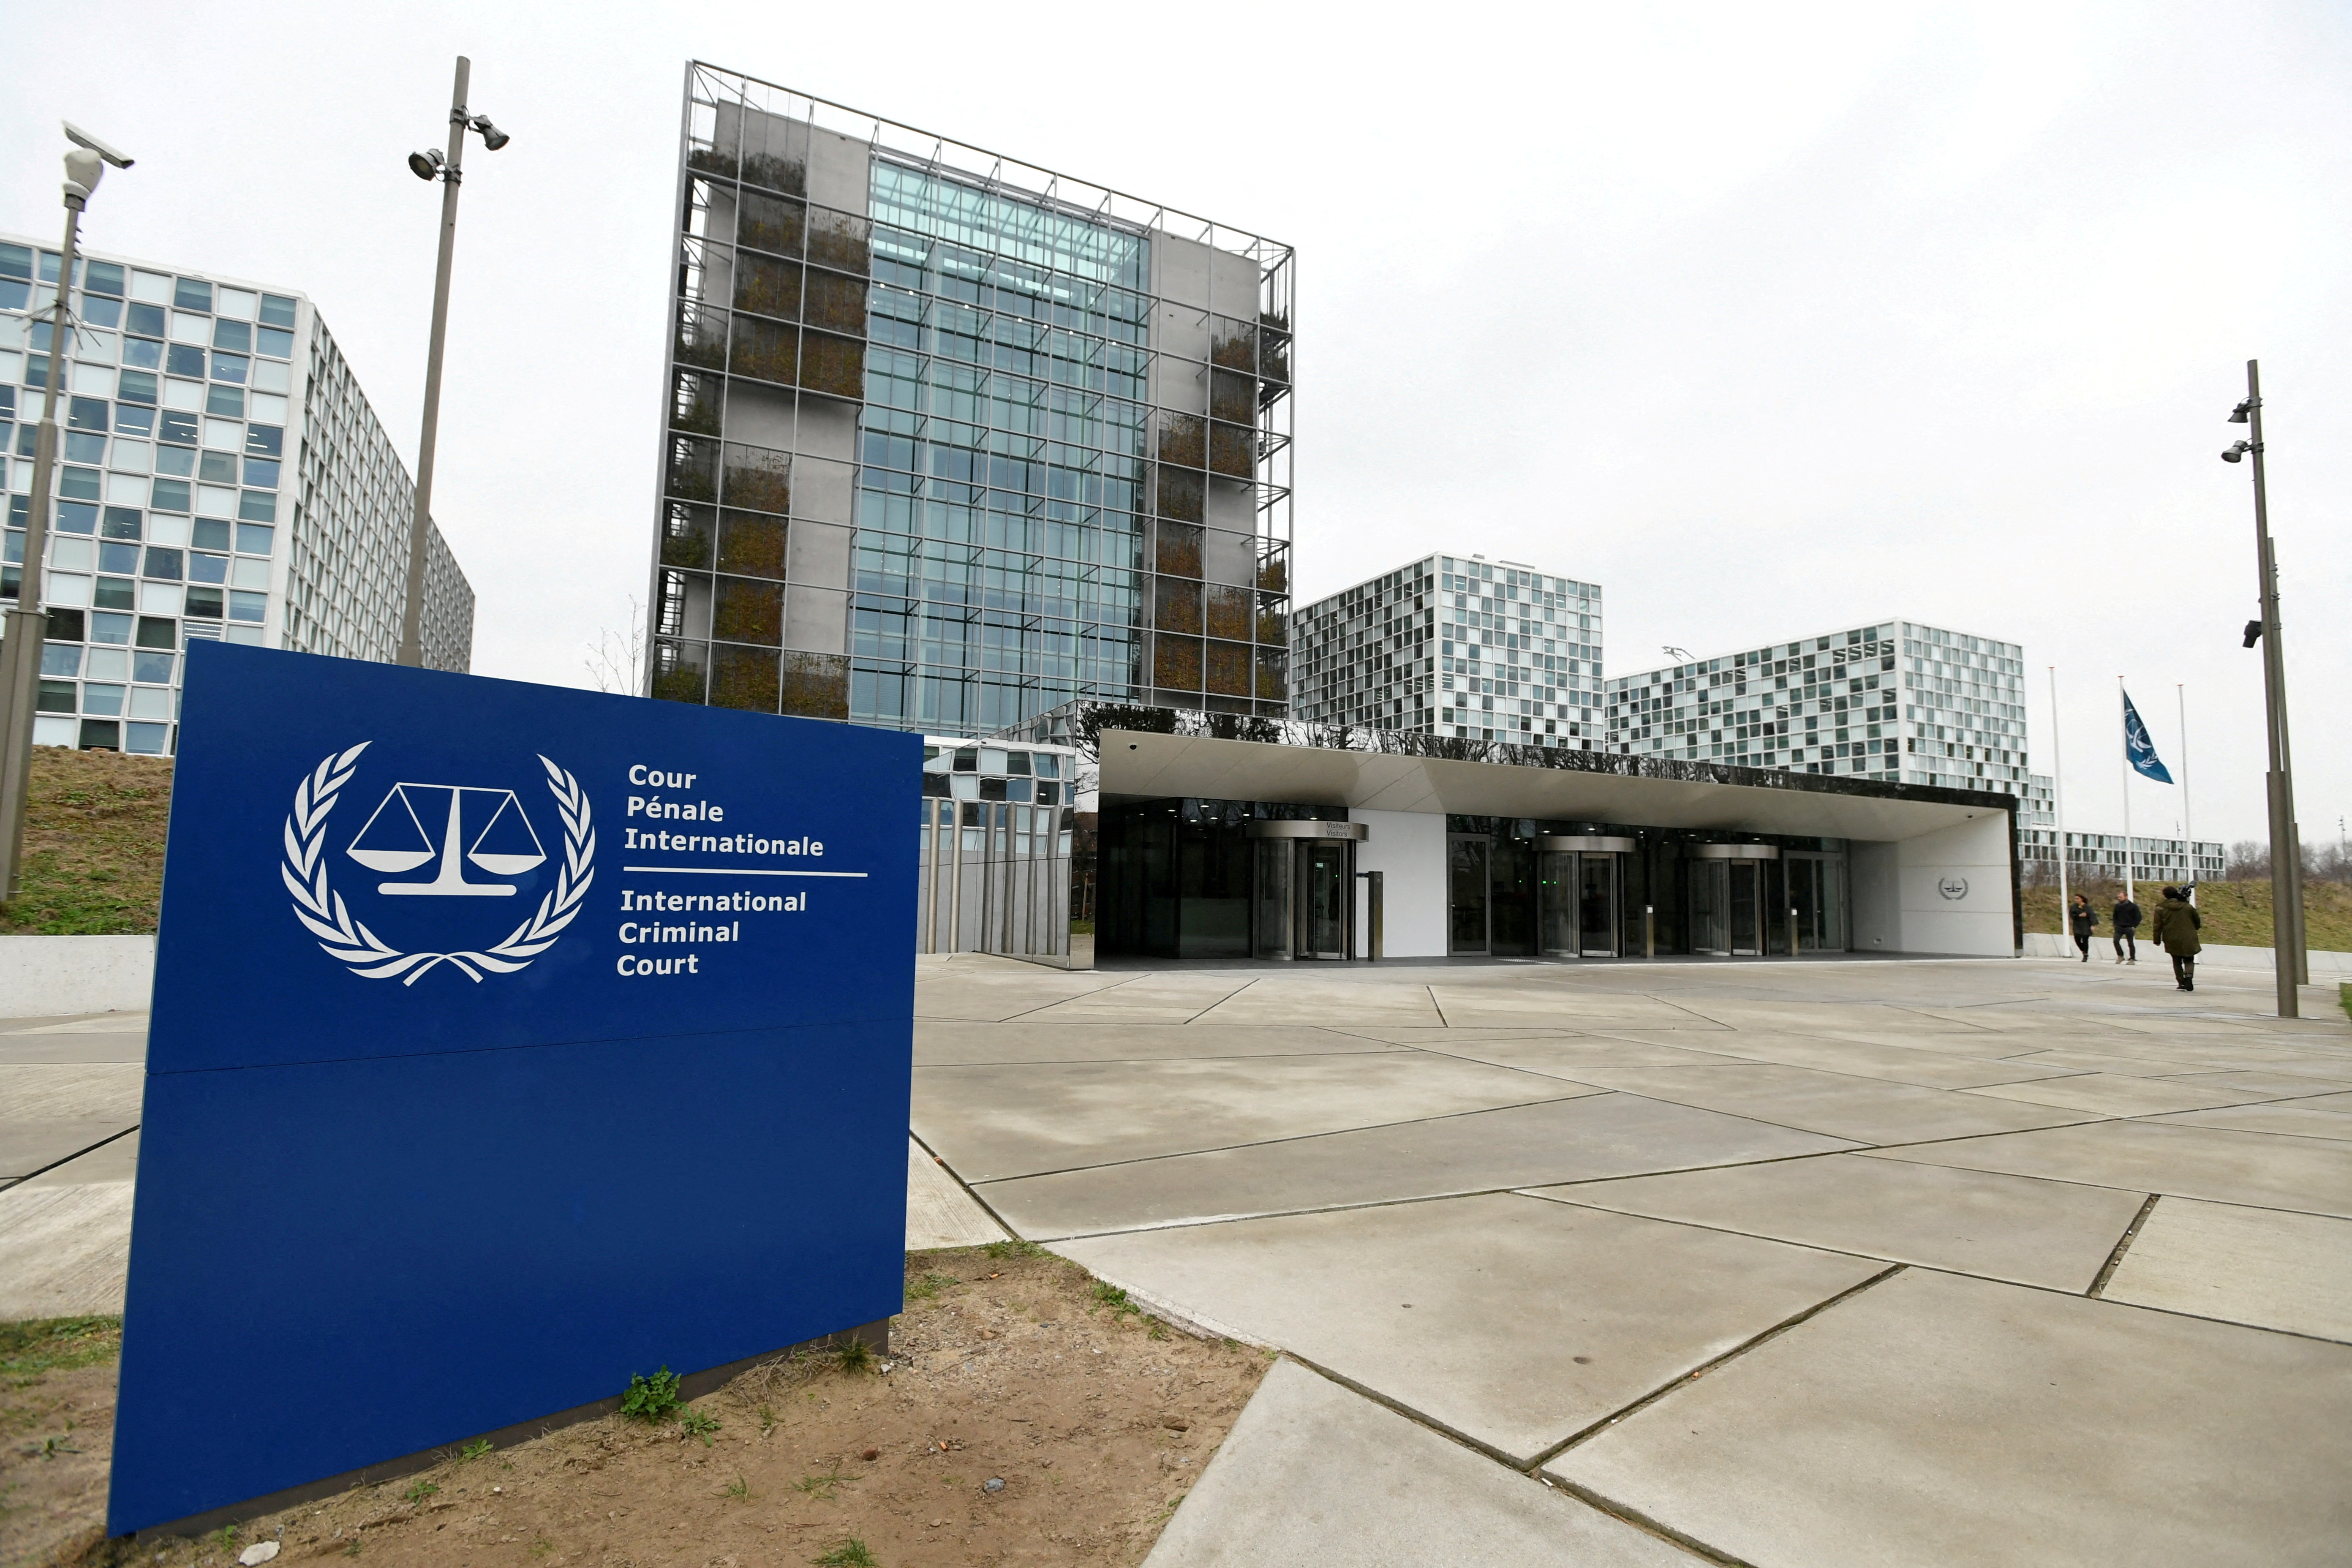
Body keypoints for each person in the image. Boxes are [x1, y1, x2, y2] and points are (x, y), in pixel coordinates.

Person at [2151, 885, 2201, 991]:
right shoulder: (2187, 907)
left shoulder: (2161, 908)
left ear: (2165, 896)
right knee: (2189, 959)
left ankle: (2181, 983)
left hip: (2171, 938)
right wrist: (2195, 928)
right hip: (2188, 937)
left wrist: (2157, 940)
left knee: (2177, 961)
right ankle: (2189, 975)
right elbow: (2197, 921)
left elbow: (2157, 926)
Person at [2112, 891, 2142, 965]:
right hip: (2119, 927)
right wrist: (2115, 924)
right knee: (2116, 941)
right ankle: (2120, 955)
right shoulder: (2117, 906)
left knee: (2130, 944)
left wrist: (2134, 926)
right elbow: (2115, 916)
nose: (2119, 899)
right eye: (2119, 897)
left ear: (2126, 897)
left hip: (2129, 927)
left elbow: (2139, 917)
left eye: (2121, 897)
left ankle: (2132, 958)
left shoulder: (2133, 907)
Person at [2068, 892, 2097, 961]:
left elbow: (2092, 916)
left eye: (2078, 899)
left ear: (2082, 899)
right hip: (2078, 925)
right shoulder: (2074, 907)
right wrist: (2079, 916)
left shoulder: (2088, 907)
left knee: (2085, 940)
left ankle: (2086, 955)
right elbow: (2072, 915)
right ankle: (2083, 951)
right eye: (2075, 899)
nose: (2076, 900)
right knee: (2077, 939)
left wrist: (2093, 925)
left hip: (2086, 925)